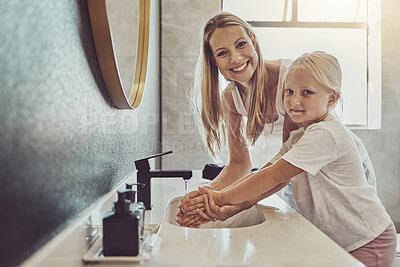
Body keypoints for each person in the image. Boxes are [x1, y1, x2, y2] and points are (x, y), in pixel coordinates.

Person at [194, 51, 397, 267]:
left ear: (332, 98)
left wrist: (218, 199)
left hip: (367, 242)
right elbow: (271, 172)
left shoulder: (325, 134)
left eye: (307, 92)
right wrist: (238, 204)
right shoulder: (300, 135)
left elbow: (273, 176)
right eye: (289, 91)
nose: (294, 100)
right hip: (344, 241)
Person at [177, 11, 298, 226]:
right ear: (213, 61)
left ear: (253, 39)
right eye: (223, 53)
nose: (236, 58)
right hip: (288, 182)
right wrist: (203, 195)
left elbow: (287, 160)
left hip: (328, 177)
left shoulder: (289, 81)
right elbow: (239, 164)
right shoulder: (231, 99)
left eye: (241, 44)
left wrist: (227, 199)